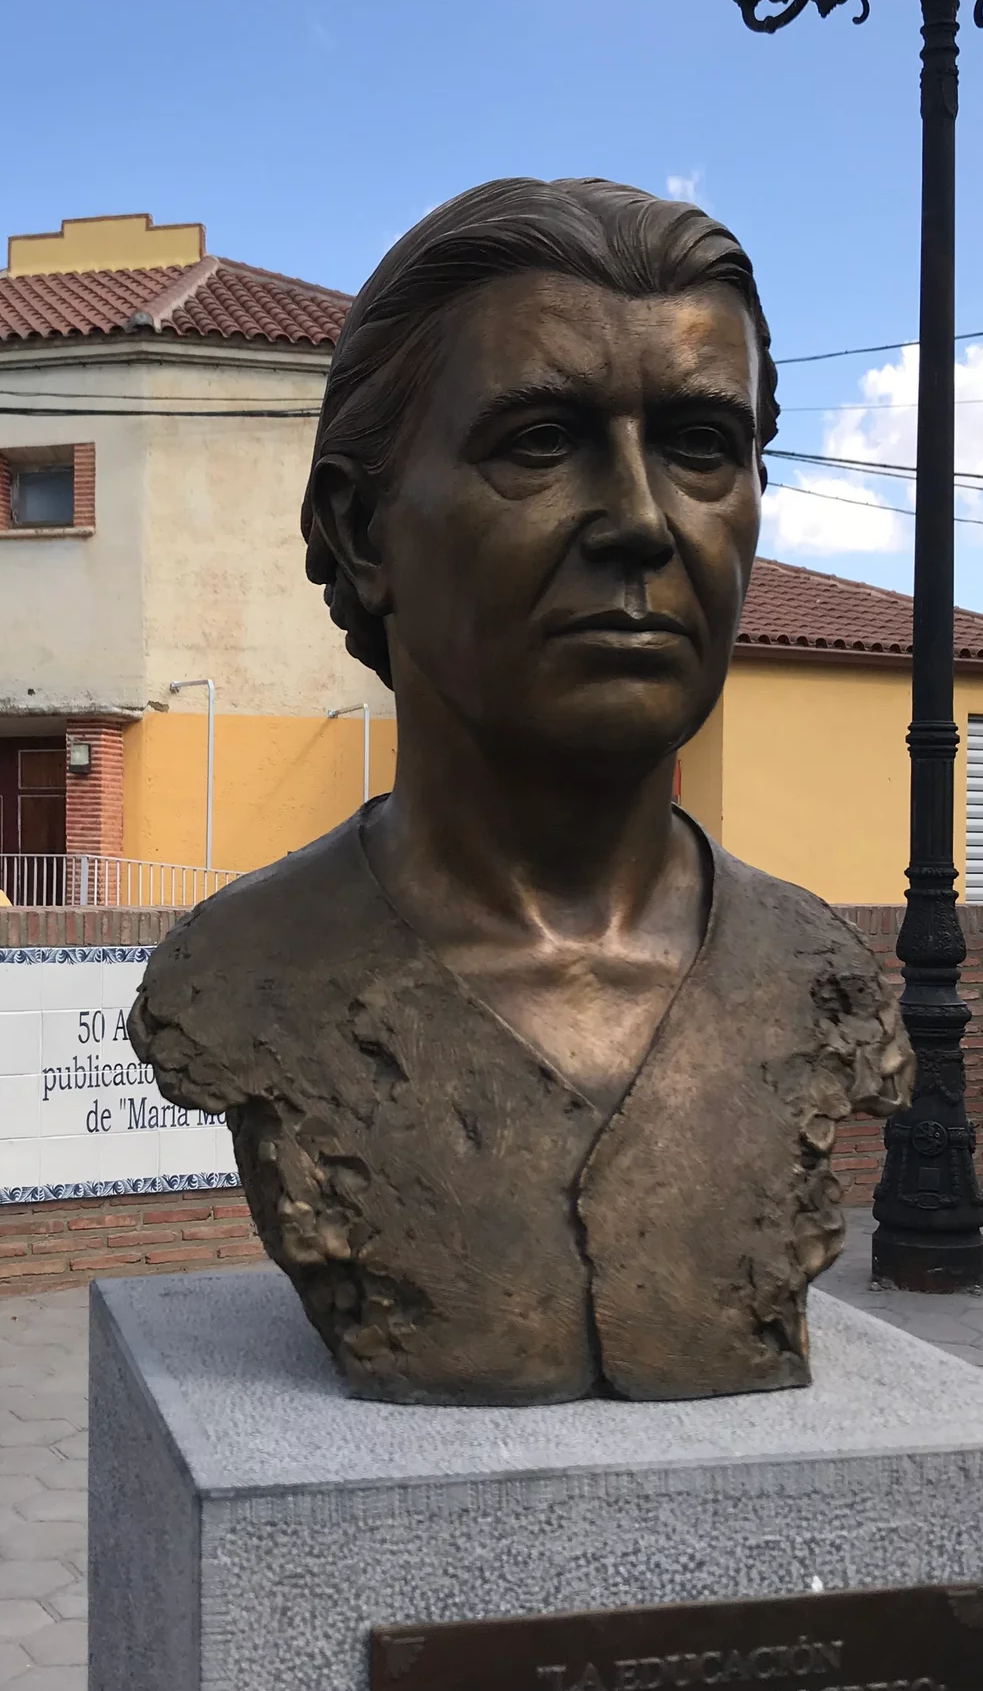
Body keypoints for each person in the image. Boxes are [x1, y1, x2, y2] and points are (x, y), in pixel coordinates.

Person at [131, 177, 912, 1405]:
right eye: (539, 443)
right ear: (361, 530)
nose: (643, 523)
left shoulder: (816, 981)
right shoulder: (246, 980)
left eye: (702, 446)